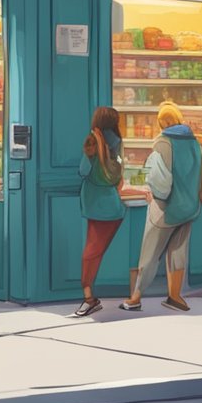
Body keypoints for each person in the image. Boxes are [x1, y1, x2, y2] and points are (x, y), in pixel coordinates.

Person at [122, 103, 202, 312]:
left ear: (161, 122)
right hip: (189, 208)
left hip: (166, 208)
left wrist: (142, 184)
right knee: (178, 253)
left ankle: (136, 297)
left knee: (150, 253)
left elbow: (159, 181)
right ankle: (175, 297)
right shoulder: (194, 142)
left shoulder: (163, 143)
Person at [73, 106, 125, 318]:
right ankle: (91, 295)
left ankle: (88, 297)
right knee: (97, 252)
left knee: (90, 253)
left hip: (96, 207)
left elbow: (83, 171)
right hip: (113, 206)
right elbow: (118, 176)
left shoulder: (92, 141)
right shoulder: (117, 143)